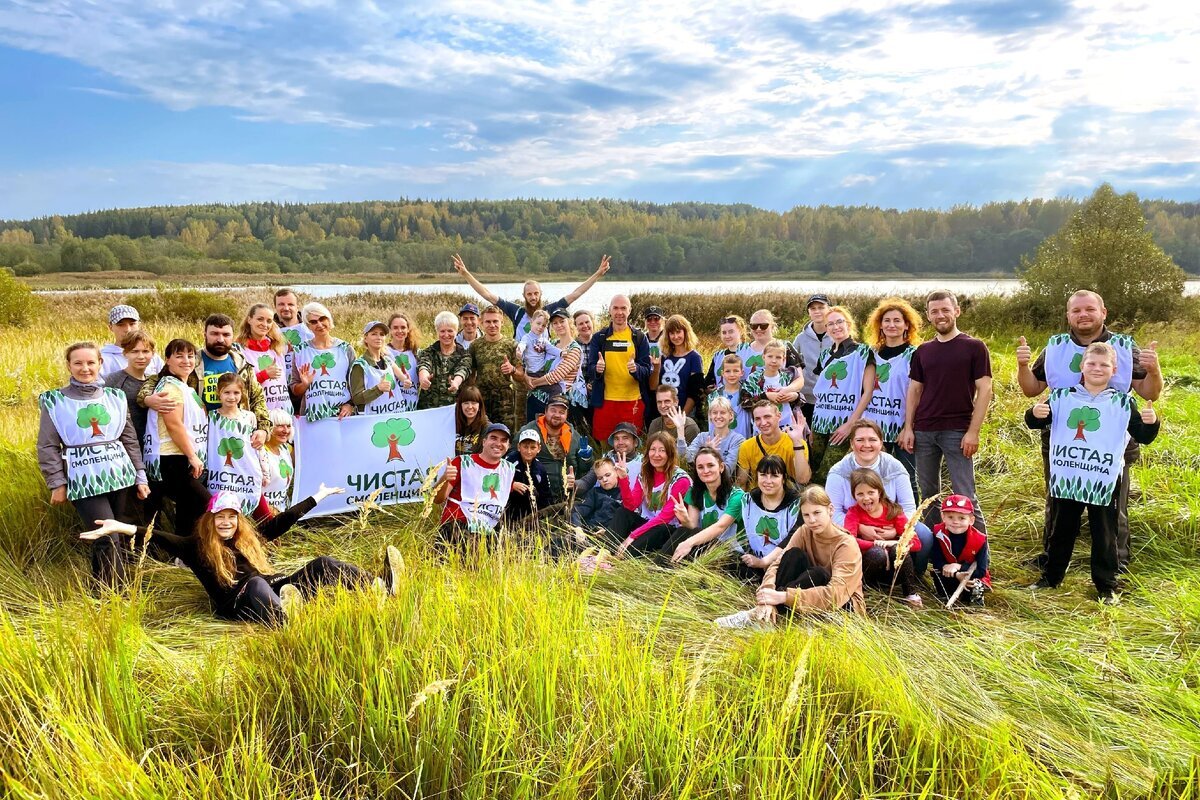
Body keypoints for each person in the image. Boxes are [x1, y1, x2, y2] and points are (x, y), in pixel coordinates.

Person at [81, 486, 399, 627]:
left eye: (231, 517)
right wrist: (117, 525)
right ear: (209, 519)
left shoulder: (247, 539)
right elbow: (154, 535)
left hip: (269, 589)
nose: (226, 522)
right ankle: (291, 619)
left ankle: (379, 587)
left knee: (323, 565)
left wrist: (318, 496)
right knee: (259, 586)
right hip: (238, 603)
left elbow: (281, 521)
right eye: (220, 517)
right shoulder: (195, 545)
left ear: (238, 519)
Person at [1015, 289, 1162, 570]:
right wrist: (1022, 365)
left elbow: (1148, 392)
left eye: (1090, 309)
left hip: (1111, 444)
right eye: (1076, 310)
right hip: (1062, 441)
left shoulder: (1123, 346)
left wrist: (1154, 370)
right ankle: (1052, 560)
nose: (1083, 315)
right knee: (1057, 501)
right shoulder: (1055, 347)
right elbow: (1031, 388)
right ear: (1068, 315)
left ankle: (1117, 563)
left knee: (1113, 505)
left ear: (1103, 312)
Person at [1025, 342, 1160, 600]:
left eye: (1104, 365)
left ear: (1114, 369)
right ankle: (1051, 578)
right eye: (1092, 363)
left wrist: (1152, 424)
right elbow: (1035, 421)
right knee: (1061, 529)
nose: (1097, 368)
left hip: (1103, 480)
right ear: (1082, 366)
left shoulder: (1123, 402)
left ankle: (1106, 586)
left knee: (1105, 533)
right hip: (1068, 477)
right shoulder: (1062, 397)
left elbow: (1142, 437)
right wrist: (1034, 413)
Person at [38, 341, 149, 586]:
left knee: (117, 534)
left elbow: (128, 437)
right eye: (78, 363)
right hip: (83, 479)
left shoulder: (115, 397)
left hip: (120, 475)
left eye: (90, 362)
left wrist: (140, 474)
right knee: (104, 536)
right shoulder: (54, 401)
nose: (84, 368)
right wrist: (56, 482)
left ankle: (102, 590)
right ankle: (118, 596)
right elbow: (47, 445)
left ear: (100, 363)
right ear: (69, 365)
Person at [898, 291, 993, 533]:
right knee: (928, 496)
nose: (940, 315)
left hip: (957, 431)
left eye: (945, 310)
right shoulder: (923, 351)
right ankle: (935, 550)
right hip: (924, 431)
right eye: (934, 311)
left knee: (965, 496)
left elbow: (985, 390)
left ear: (956, 311)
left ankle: (980, 561)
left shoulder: (974, 347)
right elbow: (915, 390)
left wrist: (973, 431)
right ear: (928, 316)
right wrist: (908, 427)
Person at [717, 486, 865, 628]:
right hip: (808, 597)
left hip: (843, 606)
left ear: (830, 510)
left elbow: (836, 595)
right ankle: (766, 612)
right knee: (793, 555)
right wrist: (768, 597)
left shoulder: (846, 544)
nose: (812, 520)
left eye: (817, 513)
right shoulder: (805, 531)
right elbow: (777, 564)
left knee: (818, 574)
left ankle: (758, 617)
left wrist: (782, 596)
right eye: (806, 515)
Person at [824, 419, 934, 572]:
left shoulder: (894, 467)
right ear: (851, 443)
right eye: (860, 440)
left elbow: (908, 506)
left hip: (892, 524)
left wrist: (896, 530)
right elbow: (832, 511)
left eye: (872, 440)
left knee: (924, 536)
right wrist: (861, 528)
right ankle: (857, 575)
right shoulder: (839, 471)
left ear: (881, 442)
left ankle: (912, 576)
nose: (866, 445)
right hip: (852, 526)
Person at [674, 455, 799, 581]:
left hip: (781, 566)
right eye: (763, 475)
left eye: (774, 476)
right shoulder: (749, 500)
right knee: (685, 535)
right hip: (752, 563)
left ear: (783, 478)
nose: (768, 480)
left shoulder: (797, 505)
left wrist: (763, 562)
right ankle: (668, 572)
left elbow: (791, 541)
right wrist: (686, 523)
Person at [452, 252, 611, 339]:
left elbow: (576, 294)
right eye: (529, 294)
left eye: (536, 293)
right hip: (522, 367)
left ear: (541, 294)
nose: (533, 297)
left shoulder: (550, 310)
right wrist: (466, 274)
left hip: (544, 366)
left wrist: (597, 275)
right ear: (524, 295)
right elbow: (487, 294)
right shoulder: (516, 311)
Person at [143, 338, 211, 540]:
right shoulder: (170, 388)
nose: (186, 361)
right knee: (207, 502)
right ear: (167, 360)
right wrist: (192, 456)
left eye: (190, 356)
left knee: (187, 508)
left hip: (181, 455)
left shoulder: (184, 387)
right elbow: (173, 425)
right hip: (172, 458)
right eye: (179, 356)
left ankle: (181, 557)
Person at [862, 297, 922, 494]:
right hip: (872, 428)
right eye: (887, 321)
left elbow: (919, 392)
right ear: (880, 325)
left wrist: (909, 427)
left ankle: (911, 522)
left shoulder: (915, 354)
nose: (891, 325)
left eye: (897, 320)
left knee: (906, 479)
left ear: (907, 325)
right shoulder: (870, 353)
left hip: (901, 429)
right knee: (872, 481)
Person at [810, 306, 876, 484]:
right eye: (830, 323)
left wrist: (851, 424)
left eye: (839, 322)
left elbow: (868, 392)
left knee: (827, 472)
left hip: (844, 421)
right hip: (820, 422)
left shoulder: (862, 352)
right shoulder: (825, 355)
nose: (835, 326)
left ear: (848, 324)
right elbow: (821, 391)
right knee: (812, 467)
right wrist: (813, 425)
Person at [845, 469, 922, 607]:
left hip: (894, 570)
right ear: (854, 496)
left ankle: (910, 593)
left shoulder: (893, 511)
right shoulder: (853, 513)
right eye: (860, 494)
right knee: (878, 553)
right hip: (869, 568)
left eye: (871, 492)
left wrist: (893, 543)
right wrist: (876, 544)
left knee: (899, 549)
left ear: (879, 492)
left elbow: (915, 543)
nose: (866, 498)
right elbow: (849, 540)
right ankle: (865, 590)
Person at [610, 432, 692, 556]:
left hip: (668, 529)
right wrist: (623, 479)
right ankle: (604, 551)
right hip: (648, 523)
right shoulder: (645, 475)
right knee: (623, 513)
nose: (656, 455)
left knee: (660, 529)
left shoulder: (681, 480)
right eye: (653, 449)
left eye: (662, 450)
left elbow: (665, 518)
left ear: (670, 454)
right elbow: (631, 506)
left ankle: (622, 556)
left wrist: (633, 535)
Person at [586, 294, 653, 443]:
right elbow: (589, 368)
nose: (619, 312)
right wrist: (597, 369)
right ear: (609, 310)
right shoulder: (599, 337)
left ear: (630, 311)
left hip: (632, 401)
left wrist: (636, 368)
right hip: (605, 401)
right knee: (603, 445)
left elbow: (647, 370)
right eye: (615, 308)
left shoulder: (639, 337)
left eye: (623, 308)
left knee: (632, 445)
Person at [435, 423, 518, 543]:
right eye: (493, 438)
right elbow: (437, 499)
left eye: (503, 440)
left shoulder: (509, 469)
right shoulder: (462, 463)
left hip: (487, 530)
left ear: (508, 445)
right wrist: (444, 478)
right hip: (458, 525)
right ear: (484, 441)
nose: (498, 444)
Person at [664, 447, 745, 564]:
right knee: (683, 530)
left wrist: (688, 542)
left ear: (721, 467)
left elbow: (720, 527)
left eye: (710, 465)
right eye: (700, 467)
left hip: (730, 551)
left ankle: (665, 568)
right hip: (704, 543)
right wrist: (685, 520)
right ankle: (660, 567)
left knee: (688, 538)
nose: (705, 470)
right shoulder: (694, 492)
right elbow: (693, 527)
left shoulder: (737, 496)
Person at [206, 374, 268, 515]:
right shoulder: (210, 417)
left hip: (247, 474)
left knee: (263, 516)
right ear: (218, 393)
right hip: (220, 475)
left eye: (236, 393)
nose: (231, 397)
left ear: (242, 393)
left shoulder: (249, 417)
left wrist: (265, 472)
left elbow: (258, 446)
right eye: (227, 392)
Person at [515, 393, 592, 504]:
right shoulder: (528, 431)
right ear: (545, 411)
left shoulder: (575, 436)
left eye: (562, 412)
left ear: (566, 415)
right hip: (535, 497)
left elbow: (587, 470)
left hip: (568, 497)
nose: (557, 415)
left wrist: (586, 459)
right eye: (553, 410)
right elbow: (511, 460)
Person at [289, 302, 356, 422]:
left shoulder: (345, 348)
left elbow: (356, 385)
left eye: (322, 319)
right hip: (312, 418)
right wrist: (304, 385)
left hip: (342, 416)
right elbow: (295, 389)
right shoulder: (300, 350)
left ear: (329, 320)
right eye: (313, 322)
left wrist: (350, 405)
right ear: (308, 326)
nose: (319, 324)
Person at [463, 305, 524, 432]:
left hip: (505, 400)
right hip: (482, 399)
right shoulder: (475, 346)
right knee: (481, 434)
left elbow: (521, 375)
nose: (492, 325)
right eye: (488, 322)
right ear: (481, 323)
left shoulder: (511, 345)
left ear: (502, 322)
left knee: (506, 434)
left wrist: (512, 369)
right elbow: (471, 375)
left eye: (495, 321)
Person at [734, 400, 812, 490]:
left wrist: (797, 443)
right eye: (757, 419)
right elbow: (741, 483)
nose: (763, 423)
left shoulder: (797, 443)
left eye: (767, 417)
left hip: (787, 495)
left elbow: (803, 479)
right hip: (758, 495)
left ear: (778, 416)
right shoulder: (747, 446)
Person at [928, 495, 990, 606]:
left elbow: (981, 571)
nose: (955, 522)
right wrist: (954, 573)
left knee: (975, 584)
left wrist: (959, 567)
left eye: (961, 518)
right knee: (937, 573)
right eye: (950, 517)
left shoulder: (979, 540)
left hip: (970, 576)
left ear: (971, 520)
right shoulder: (938, 534)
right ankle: (944, 597)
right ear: (943, 517)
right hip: (948, 574)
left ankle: (974, 604)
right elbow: (936, 561)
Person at [526, 308, 583, 422]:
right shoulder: (551, 344)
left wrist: (533, 383)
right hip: (536, 398)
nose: (559, 325)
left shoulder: (574, 349)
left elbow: (556, 376)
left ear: (570, 322)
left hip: (557, 404)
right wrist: (526, 376)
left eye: (562, 321)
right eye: (555, 323)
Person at [236, 303, 292, 413]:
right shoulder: (239, 350)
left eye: (269, 321)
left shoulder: (276, 348)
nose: (264, 324)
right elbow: (237, 384)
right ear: (249, 320)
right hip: (259, 413)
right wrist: (263, 375)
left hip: (284, 412)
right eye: (260, 319)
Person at [740, 338, 805, 430]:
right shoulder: (753, 378)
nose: (774, 361)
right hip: (762, 428)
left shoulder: (788, 376)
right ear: (763, 357)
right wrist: (766, 396)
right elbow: (745, 403)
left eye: (778, 357)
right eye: (770, 356)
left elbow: (801, 399)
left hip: (787, 427)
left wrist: (795, 396)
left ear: (783, 359)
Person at [350, 320, 411, 415]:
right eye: (374, 334)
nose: (378, 338)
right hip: (371, 421)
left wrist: (406, 382)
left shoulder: (388, 361)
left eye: (382, 334)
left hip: (394, 416)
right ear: (366, 338)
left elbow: (403, 378)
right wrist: (378, 389)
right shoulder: (360, 365)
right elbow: (356, 399)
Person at [105, 330, 156, 443]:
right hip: (125, 447)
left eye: (145, 351)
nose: (141, 356)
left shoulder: (155, 381)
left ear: (153, 353)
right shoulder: (112, 381)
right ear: (125, 353)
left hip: (151, 447)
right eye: (135, 351)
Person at [653, 314, 705, 420]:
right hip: (664, 413)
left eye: (678, 332)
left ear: (685, 332)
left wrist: (682, 416)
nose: (676, 337)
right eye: (672, 333)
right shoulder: (664, 357)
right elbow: (654, 387)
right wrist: (656, 367)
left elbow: (695, 392)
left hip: (685, 414)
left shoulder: (694, 357)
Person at [416, 311, 469, 410]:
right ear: (437, 332)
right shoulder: (428, 352)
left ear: (456, 331)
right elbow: (424, 365)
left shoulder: (464, 354)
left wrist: (456, 382)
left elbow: (463, 369)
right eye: (442, 331)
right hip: (428, 409)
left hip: (453, 410)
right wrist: (423, 378)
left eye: (450, 331)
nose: (446, 335)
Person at [574, 421, 642, 497]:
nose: (620, 442)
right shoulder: (606, 459)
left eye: (625, 438)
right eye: (616, 439)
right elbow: (586, 482)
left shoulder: (643, 464)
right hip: (601, 504)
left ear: (635, 442)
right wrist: (571, 484)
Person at [793, 294, 831, 429]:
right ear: (809, 312)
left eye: (821, 307)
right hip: (806, 400)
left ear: (829, 310)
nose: (817, 311)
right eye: (813, 308)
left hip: (831, 400)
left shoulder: (837, 335)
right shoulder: (800, 338)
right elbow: (791, 367)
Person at [679, 396, 745, 475]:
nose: (718, 416)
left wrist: (710, 453)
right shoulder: (702, 437)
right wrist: (680, 430)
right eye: (714, 413)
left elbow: (727, 471)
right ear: (710, 415)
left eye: (723, 412)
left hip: (725, 485)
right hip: (702, 483)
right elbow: (685, 458)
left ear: (730, 415)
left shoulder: (737, 440)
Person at [99, 304, 164, 381]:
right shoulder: (104, 359)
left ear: (139, 324)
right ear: (110, 327)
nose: (128, 329)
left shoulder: (152, 357)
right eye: (121, 325)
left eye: (132, 324)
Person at [505, 429, 554, 528]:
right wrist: (512, 485)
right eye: (525, 447)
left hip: (530, 509)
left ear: (539, 448)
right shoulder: (509, 461)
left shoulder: (540, 469)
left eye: (533, 447)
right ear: (519, 447)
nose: (528, 451)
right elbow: (497, 479)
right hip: (509, 505)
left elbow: (546, 495)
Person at [570, 457, 624, 540]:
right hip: (587, 532)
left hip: (609, 537)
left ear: (616, 472)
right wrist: (577, 528)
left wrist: (607, 532)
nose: (604, 480)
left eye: (608, 475)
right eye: (600, 478)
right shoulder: (595, 493)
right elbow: (578, 511)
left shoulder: (625, 495)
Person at [704, 314, 754, 393]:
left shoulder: (752, 351)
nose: (727, 336)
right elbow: (709, 382)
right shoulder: (718, 356)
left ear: (741, 331)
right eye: (724, 332)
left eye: (731, 332)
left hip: (746, 402)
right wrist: (709, 390)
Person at [743, 309, 802, 376]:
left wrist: (785, 387)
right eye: (754, 326)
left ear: (772, 326)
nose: (758, 329)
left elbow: (799, 378)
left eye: (763, 326)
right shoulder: (741, 349)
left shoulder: (785, 346)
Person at [707, 353, 753, 438]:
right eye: (728, 371)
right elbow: (711, 422)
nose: (732, 374)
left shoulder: (748, 393)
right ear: (722, 373)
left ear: (742, 372)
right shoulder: (714, 396)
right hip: (721, 442)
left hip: (743, 440)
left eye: (735, 371)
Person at [566, 310, 596, 437]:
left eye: (587, 322)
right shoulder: (572, 346)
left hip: (597, 387)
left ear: (592, 323)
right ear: (576, 327)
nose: (585, 326)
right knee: (579, 425)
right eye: (580, 324)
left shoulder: (600, 342)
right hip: (577, 389)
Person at [273, 288, 313, 378]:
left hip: (307, 385)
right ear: (275, 307)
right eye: (281, 304)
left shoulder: (311, 328)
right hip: (279, 387)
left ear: (297, 306)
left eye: (290, 304)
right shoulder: (267, 331)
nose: (286, 308)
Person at [386, 312, 421, 411]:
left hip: (412, 405)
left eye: (403, 327)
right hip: (390, 406)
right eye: (395, 327)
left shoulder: (416, 353)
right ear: (390, 330)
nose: (399, 331)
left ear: (408, 329)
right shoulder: (384, 351)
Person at [261, 409, 294, 512]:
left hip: (283, 512)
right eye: (280, 426)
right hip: (264, 515)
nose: (285, 430)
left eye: (288, 426)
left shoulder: (285, 448)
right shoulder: (259, 451)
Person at [516, 309, 560, 381]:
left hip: (543, 371)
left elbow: (551, 348)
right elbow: (522, 344)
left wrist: (561, 352)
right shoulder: (527, 337)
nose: (540, 327)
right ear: (531, 322)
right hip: (532, 372)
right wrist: (520, 350)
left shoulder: (543, 340)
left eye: (543, 325)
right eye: (538, 323)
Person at [454, 385, 489, 456]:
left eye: (474, 403)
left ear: (480, 406)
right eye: (466, 403)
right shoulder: (453, 424)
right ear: (460, 406)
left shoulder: (487, 427)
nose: (470, 407)